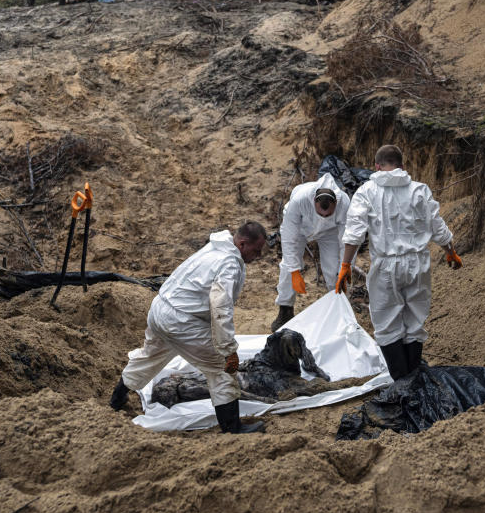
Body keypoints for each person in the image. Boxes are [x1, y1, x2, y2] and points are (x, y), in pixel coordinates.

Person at [109, 222, 268, 434]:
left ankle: (116, 399)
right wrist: (228, 350)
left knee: (149, 356)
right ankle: (233, 428)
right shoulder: (228, 263)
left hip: (161, 309)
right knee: (223, 368)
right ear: (241, 243)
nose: (257, 256)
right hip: (182, 321)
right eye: (256, 250)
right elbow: (221, 308)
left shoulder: (214, 248)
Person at [335, 145, 462, 381]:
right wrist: (450, 251)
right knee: (414, 321)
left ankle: (402, 383)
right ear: (403, 166)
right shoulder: (419, 190)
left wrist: (345, 265)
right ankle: (413, 378)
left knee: (386, 323)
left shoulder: (367, 192)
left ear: (377, 166)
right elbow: (437, 225)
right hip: (418, 263)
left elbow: (354, 232)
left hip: (386, 266)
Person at [271, 173, 350, 332]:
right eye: (321, 213)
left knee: (335, 270)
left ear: (336, 203)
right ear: (314, 201)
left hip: (330, 231)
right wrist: (294, 271)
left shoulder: (345, 203)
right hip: (301, 229)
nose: (325, 215)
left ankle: (338, 311)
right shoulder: (300, 199)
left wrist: (346, 265)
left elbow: (347, 239)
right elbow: (288, 238)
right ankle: (285, 310)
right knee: (288, 265)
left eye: (329, 214)